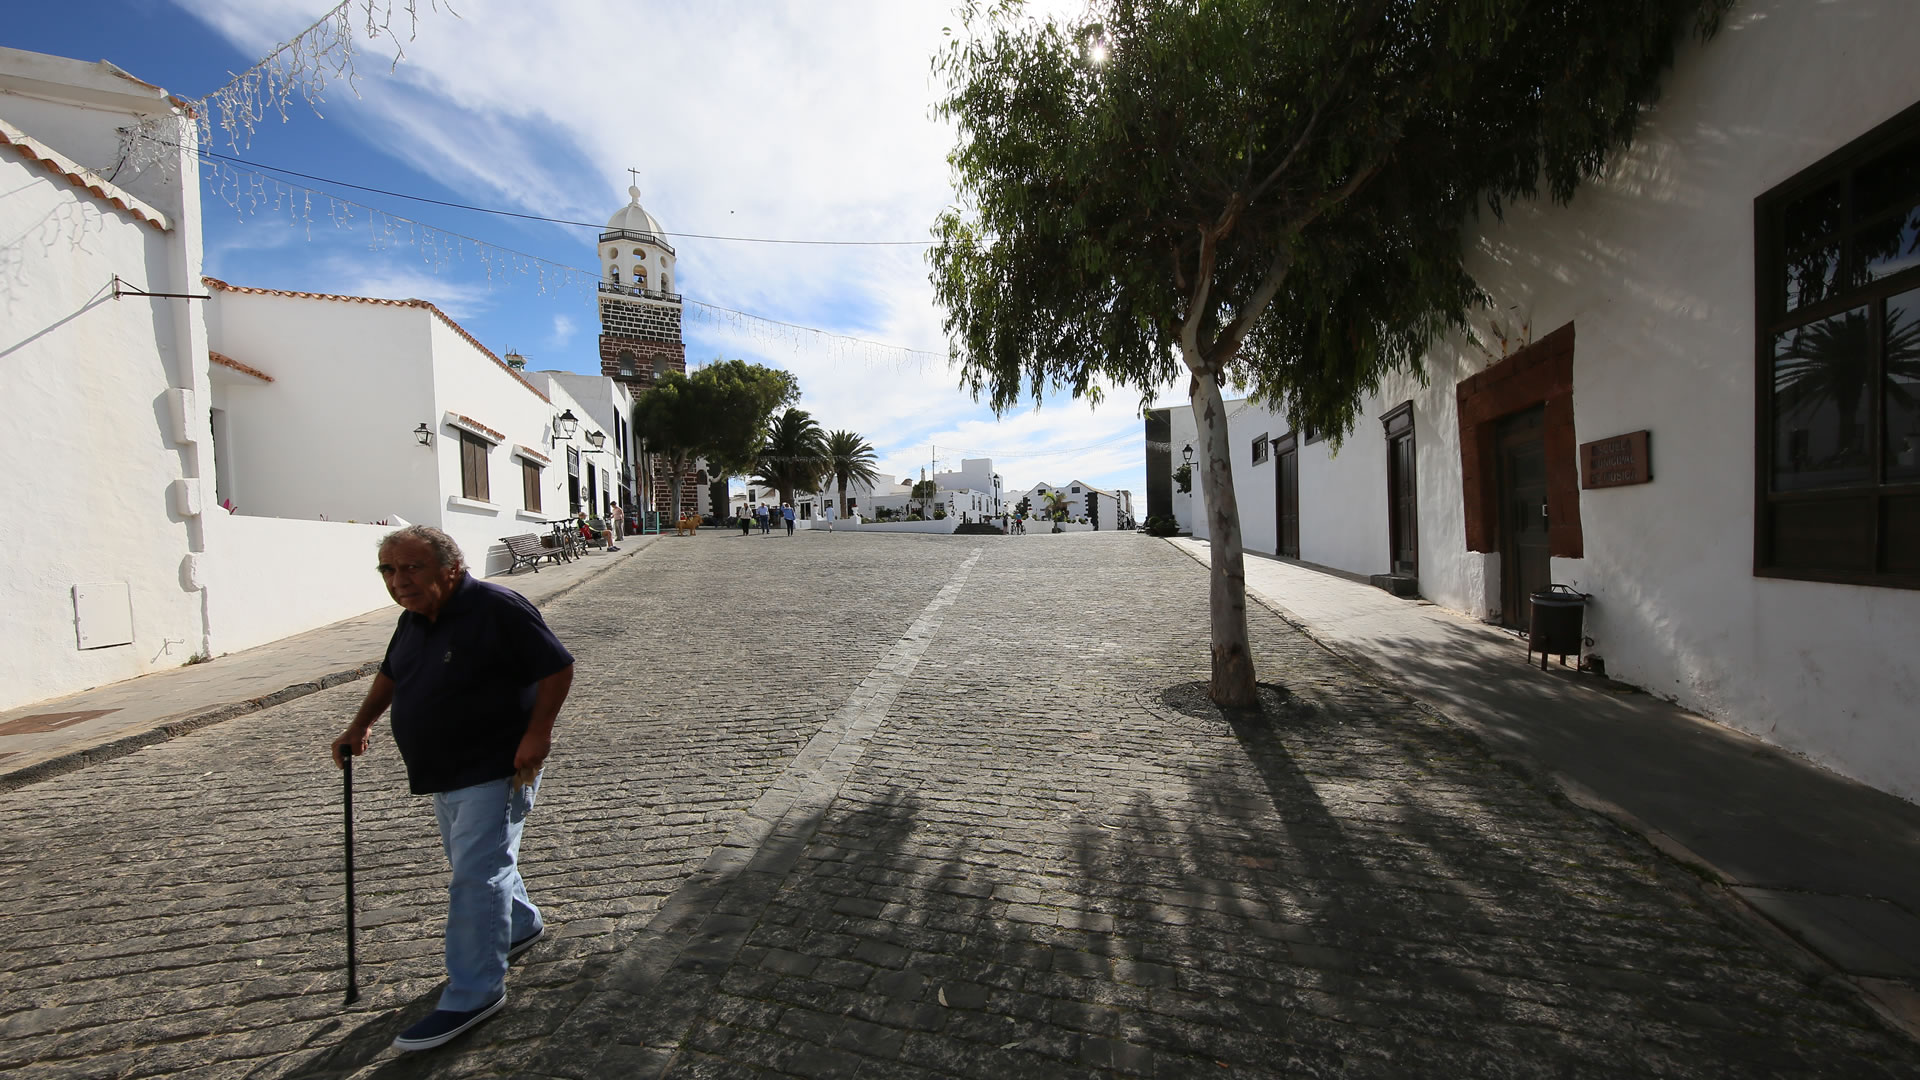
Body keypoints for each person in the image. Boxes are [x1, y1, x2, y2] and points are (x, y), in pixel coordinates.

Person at [331, 526, 574, 1053]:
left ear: (451, 568)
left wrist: (538, 733)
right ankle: (520, 925)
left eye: (411, 568)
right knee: (476, 862)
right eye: (388, 570)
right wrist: (360, 724)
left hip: (496, 763)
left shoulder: (498, 608)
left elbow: (557, 668)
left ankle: (474, 991)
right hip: (441, 768)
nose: (398, 580)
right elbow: (392, 674)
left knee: (476, 875)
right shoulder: (413, 617)